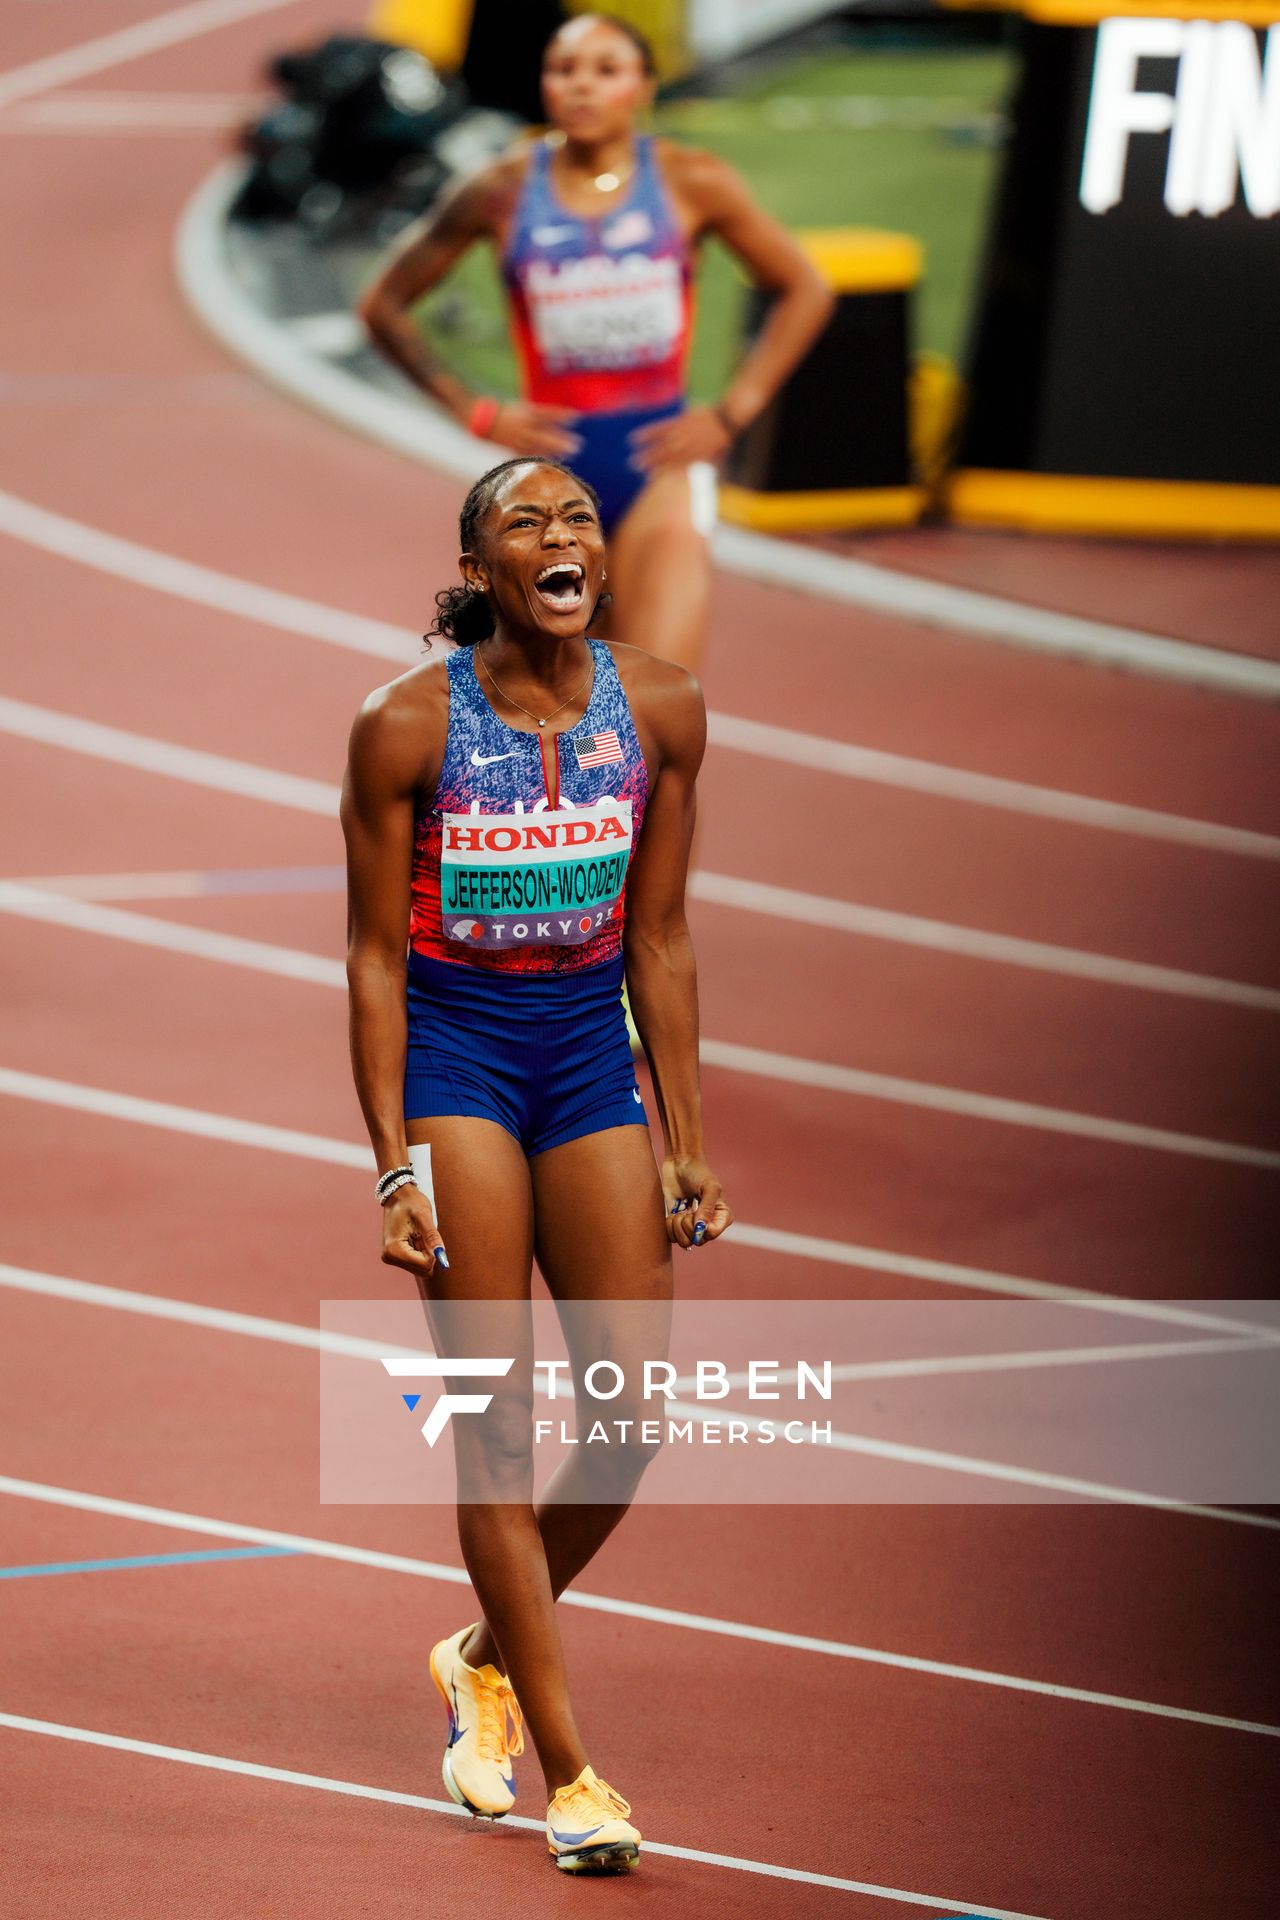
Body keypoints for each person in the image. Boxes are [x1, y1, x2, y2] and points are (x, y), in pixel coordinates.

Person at [341, 455, 733, 1874]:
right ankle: (574, 1776)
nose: (562, 536)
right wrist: (393, 1164)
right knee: (498, 1427)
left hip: (585, 1062)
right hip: (459, 1069)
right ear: (481, 566)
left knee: (630, 1416)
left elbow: (665, 935)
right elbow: (378, 959)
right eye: (529, 523)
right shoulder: (403, 727)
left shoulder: (667, 708)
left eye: (577, 518)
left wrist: (687, 1136)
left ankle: (480, 1652)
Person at [358, 10, 834, 673]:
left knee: (660, 704)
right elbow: (383, 305)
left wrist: (733, 412)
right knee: (563, 712)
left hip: (660, 467)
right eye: (564, 69)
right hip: (550, 478)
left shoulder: (688, 181)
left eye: (606, 71)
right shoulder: (503, 189)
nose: (582, 86)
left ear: (644, 85)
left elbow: (805, 287)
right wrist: (475, 409)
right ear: (545, 84)